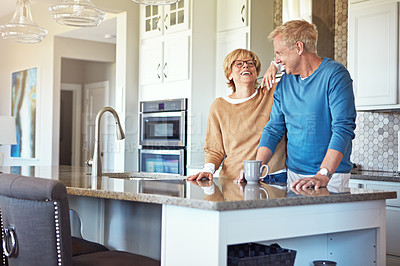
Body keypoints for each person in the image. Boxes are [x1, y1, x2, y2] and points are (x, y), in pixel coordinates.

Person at [236, 20, 356, 190]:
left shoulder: (335, 75)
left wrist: (323, 175)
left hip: (330, 175)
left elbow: (343, 128)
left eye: (280, 53)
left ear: (299, 48)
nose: (277, 61)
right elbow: (273, 129)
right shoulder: (285, 82)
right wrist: (255, 169)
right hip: (293, 174)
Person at [187, 49, 286, 182]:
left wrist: (275, 66)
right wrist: (207, 170)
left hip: (271, 177)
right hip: (233, 180)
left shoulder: (272, 92)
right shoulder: (219, 106)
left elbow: (297, 67)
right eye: (238, 64)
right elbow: (215, 150)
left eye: (250, 63)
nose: (245, 66)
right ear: (229, 74)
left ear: (256, 71)